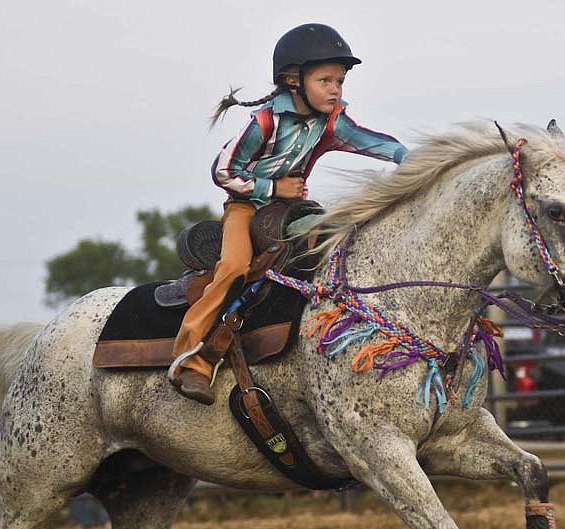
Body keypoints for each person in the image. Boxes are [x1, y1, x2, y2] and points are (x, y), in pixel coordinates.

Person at [170, 23, 409, 405]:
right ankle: (192, 359)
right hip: (246, 208)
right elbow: (223, 171)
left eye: (340, 81)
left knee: (337, 245)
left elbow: (373, 142)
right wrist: (272, 188)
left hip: (292, 212)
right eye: (326, 80)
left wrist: (417, 161)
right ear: (293, 81)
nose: (336, 89)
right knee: (233, 267)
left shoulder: (331, 122)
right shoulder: (265, 122)